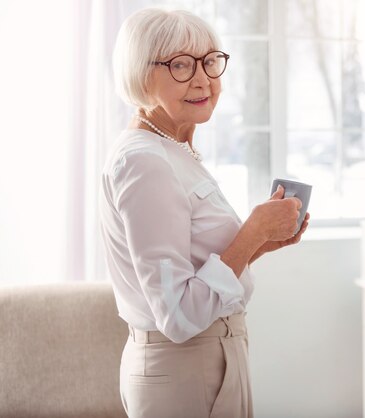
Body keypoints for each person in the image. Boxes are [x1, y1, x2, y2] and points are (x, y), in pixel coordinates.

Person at [99, 8, 309, 418]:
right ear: (142, 75)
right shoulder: (146, 161)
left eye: (210, 61)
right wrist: (251, 232)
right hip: (183, 371)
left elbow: (197, 270)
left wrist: (261, 243)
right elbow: (177, 315)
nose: (203, 79)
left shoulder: (172, 150)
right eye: (180, 65)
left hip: (208, 362)